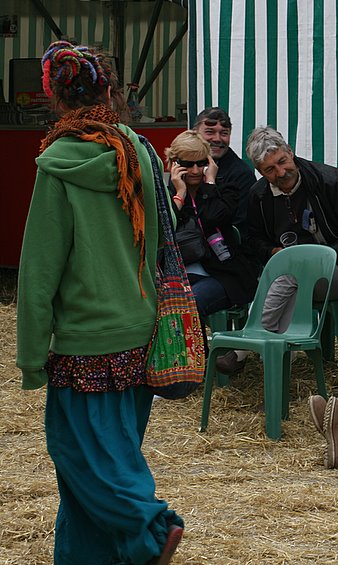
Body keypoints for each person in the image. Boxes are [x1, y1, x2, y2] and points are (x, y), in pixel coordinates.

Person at [16, 40, 184, 564]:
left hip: (84, 343)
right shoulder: (141, 151)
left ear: (54, 99)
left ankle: (150, 529)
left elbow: (40, 269)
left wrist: (30, 356)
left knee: (80, 458)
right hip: (141, 332)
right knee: (104, 462)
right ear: (111, 93)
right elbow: (165, 232)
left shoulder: (56, 164)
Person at [215, 126, 338, 373]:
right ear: (259, 171)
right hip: (292, 278)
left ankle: (243, 348)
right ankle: (280, 370)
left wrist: (320, 258)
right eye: (270, 169)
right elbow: (251, 239)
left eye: (282, 161)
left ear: (290, 152)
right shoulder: (258, 195)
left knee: (292, 274)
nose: (281, 172)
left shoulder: (336, 182)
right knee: (291, 278)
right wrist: (272, 252)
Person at [166, 130, 259, 322]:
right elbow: (164, 230)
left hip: (223, 274)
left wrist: (209, 183)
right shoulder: (166, 196)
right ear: (174, 164)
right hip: (178, 274)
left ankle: (197, 344)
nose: (195, 170)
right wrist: (180, 194)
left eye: (201, 163)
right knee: (165, 303)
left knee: (190, 303)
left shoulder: (226, 190)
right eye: (187, 164)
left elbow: (212, 218)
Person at [194, 107, 257, 227]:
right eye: (210, 132)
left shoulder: (241, 175)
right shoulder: (183, 166)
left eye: (224, 133)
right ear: (195, 133)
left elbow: (240, 226)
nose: (217, 139)